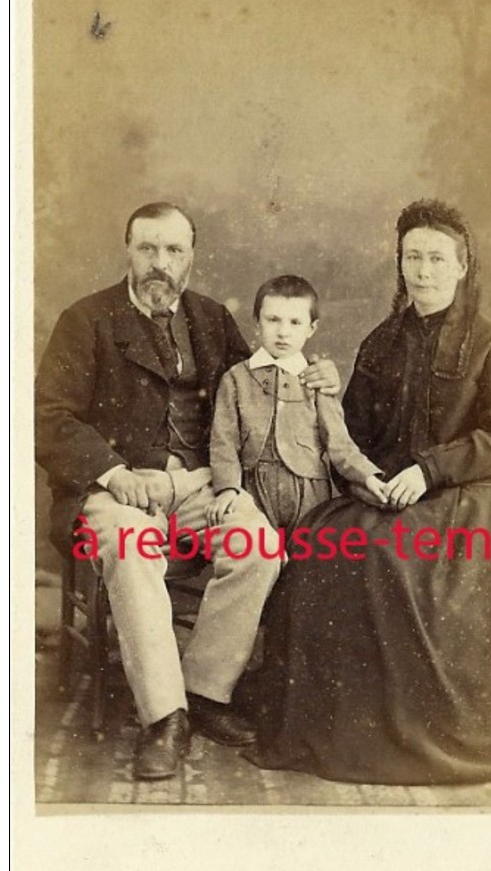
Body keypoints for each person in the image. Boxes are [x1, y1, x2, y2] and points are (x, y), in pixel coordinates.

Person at [251, 199, 491, 786]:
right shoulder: (382, 342)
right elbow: (354, 432)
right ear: (400, 264)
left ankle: (430, 724)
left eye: (436, 259)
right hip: (397, 488)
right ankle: (351, 722)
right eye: (412, 258)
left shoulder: (489, 341)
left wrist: (429, 471)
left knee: (391, 557)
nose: (423, 271)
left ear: (461, 267)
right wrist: (327, 395)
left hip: (478, 487)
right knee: (322, 543)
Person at [35, 202, 340, 781]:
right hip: (119, 490)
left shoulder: (208, 319)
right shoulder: (86, 320)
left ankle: (204, 692)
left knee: (259, 545)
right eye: (148, 248)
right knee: (131, 548)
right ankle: (165, 717)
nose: (160, 263)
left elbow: (261, 382)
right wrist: (115, 472)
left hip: (201, 486)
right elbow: (46, 417)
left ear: (191, 258)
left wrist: (316, 375)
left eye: (173, 251)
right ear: (128, 250)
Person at [206, 274, 387, 536]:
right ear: (257, 323)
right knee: (258, 556)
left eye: (295, 322)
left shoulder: (316, 379)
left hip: (309, 493)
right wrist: (227, 490)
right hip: (253, 488)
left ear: (311, 329)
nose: (283, 332)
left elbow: (340, 444)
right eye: (273, 320)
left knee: (305, 564)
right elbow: (223, 442)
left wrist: (369, 476)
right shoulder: (236, 379)